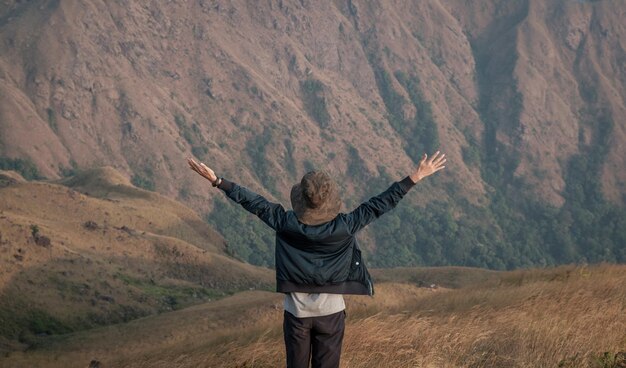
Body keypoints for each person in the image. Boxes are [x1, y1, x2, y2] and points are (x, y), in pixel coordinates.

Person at [187, 151, 446, 368]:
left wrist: (218, 181)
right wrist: (416, 176)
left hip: (296, 315)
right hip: (331, 314)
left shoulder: (286, 223)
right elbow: (380, 204)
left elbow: (255, 203)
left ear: (302, 200)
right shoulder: (346, 226)